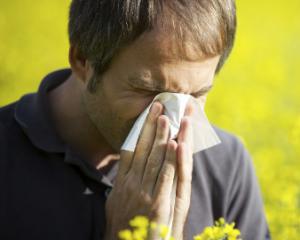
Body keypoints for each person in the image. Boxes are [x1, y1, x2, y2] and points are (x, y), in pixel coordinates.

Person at [0, 0, 271, 239]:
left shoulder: (226, 165)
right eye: (149, 91)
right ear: (83, 60)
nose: (172, 123)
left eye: (197, 94)